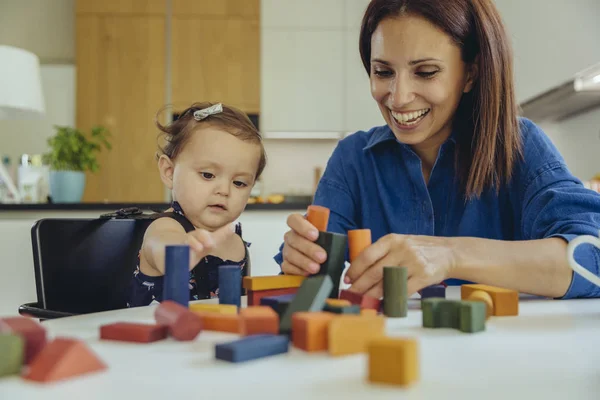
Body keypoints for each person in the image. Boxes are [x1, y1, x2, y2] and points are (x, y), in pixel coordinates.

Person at [274, 0, 600, 300]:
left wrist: (449, 255)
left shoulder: (520, 146)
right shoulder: (353, 159)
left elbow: (592, 257)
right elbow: (308, 284)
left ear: (470, 74)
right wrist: (300, 259)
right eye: (383, 72)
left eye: (426, 72)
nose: (398, 97)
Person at [128, 102, 266, 307]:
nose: (224, 190)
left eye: (239, 183)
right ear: (169, 172)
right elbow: (162, 247)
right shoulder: (166, 227)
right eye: (208, 175)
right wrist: (181, 252)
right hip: (160, 337)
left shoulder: (235, 242)